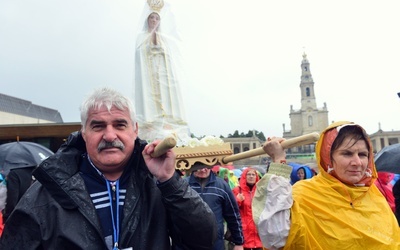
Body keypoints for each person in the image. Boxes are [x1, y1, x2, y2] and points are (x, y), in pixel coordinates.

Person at [0, 87, 217, 249]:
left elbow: (203, 239)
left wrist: (169, 181)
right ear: (84, 133)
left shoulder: (157, 185)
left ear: (135, 130)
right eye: (98, 126)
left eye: (120, 125)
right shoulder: (48, 191)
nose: (110, 135)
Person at [252, 121, 400, 249]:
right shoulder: (304, 194)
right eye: (347, 154)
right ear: (328, 157)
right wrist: (278, 160)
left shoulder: (374, 196)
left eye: (362, 154)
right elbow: (273, 236)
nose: (357, 162)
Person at [134, 1, 190, 144]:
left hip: (162, 74)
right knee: (149, 100)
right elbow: (140, 54)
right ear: (147, 20)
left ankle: (169, 124)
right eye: (151, 18)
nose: (154, 20)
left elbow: (169, 57)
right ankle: (151, 124)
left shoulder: (165, 39)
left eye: (157, 18)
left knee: (167, 98)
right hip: (149, 74)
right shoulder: (142, 37)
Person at [188, 163, 244, 250]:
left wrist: (239, 242)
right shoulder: (184, 186)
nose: (203, 170)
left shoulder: (221, 186)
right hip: (188, 243)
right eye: (199, 167)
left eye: (206, 167)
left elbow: (233, 215)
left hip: (215, 243)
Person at [233, 168, 263, 250]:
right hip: (243, 233)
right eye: (248, 174)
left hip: (258, 234)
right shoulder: (237, 190)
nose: (251, 176)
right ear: (244, 176)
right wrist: (237, 200)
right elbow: (230, 209)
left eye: (253, 174)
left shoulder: (260, 191)